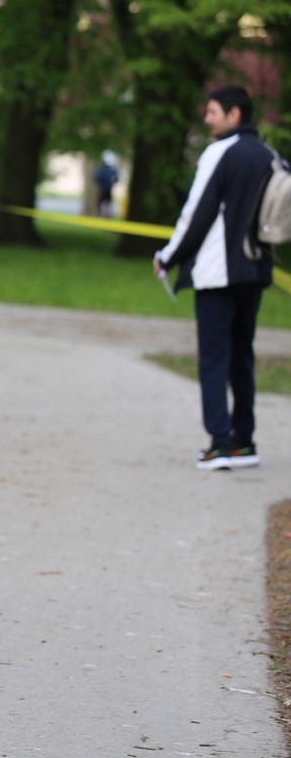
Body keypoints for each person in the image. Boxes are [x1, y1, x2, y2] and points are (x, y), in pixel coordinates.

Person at [153, 84, 274, 471]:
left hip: (216, 273)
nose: (207, 120)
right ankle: (244, 441)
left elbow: (197, 214)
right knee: (242, 356)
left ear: (234, 114)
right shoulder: (270, 156)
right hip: (253, 271)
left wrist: (167, 257)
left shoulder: (219, 153)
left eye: (212, 113)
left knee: (214, 359)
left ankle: (220, 444)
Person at [93, 150, 119, 218]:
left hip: (105, 189)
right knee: (105, 204)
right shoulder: (110, 169)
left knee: (104, 204)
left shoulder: (102, 169)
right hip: (105, 189)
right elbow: (116, 179)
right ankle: (105, 216)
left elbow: (96, 178)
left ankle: (105, 216)